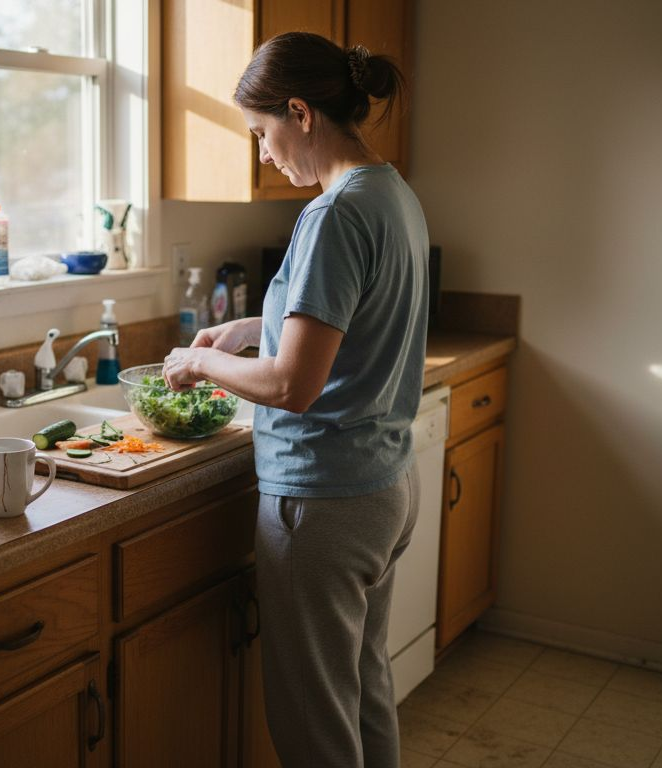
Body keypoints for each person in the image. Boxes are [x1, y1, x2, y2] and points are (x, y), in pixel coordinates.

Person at [161, 31, 428, 768]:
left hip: (325, 500)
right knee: (363, 691)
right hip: (385, 483)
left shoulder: (332, 215)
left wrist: (195, 361)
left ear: (301, 113)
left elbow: (291, 385)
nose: (261, 152)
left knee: (313, 727)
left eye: (260, 131)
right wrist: (249, 329)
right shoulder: (391, 193)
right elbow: (342, 318)